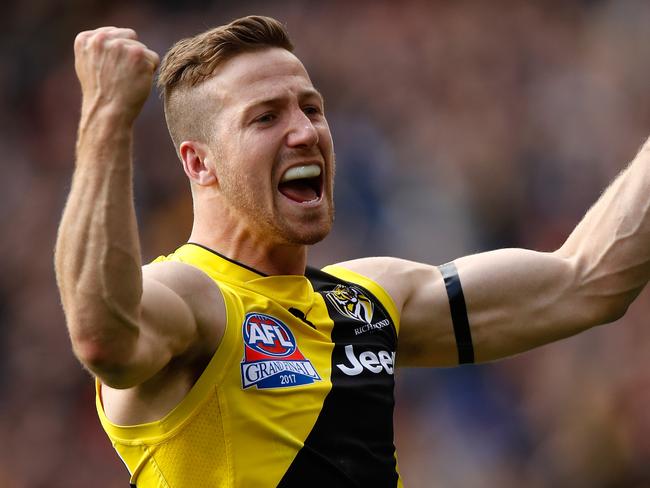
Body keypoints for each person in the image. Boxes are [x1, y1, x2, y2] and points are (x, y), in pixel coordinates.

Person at [54, 15, 649, 488]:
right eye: (265, 118)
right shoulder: (192, 297)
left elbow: (587, 280)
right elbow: (102, 335)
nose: (305, 131)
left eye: (311, 108)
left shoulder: (368, 301)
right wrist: (107, 116)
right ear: (198, 162)